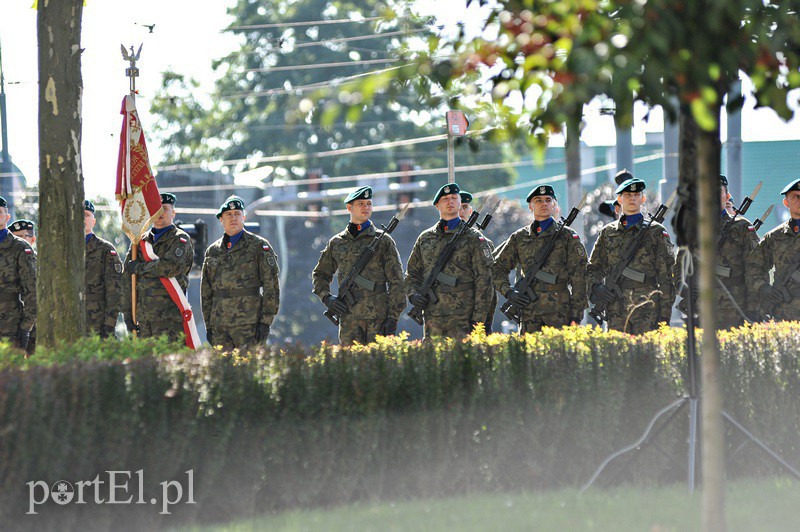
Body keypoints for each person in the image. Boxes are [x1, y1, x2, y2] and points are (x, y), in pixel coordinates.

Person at [312, 186, 405, 345]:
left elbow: (397, 281)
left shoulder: (383, 241)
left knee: (378, 366)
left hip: (378, 319)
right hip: (349, 320)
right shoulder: (337, 243)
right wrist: (327, 299)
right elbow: (320, 274)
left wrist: (392, 318)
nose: (366, 207)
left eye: (369, 203)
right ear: (349, 208)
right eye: (361, 203)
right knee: (349, 366)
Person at [492, 185, 588, 333]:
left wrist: (577, 314)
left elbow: (579, 277)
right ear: (530, 206)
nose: (544, 203)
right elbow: (497, 269)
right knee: (528, 355)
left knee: (559, 355)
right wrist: (509, 293)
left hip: (560, 311)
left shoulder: (568, 237)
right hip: (529, 311)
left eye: (548, 200)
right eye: (538, 200)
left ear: (554, 205)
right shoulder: (520, 237)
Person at [587, 177, 676, 334]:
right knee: (618, 355)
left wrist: (664, 317)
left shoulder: (656, 232)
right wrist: (596, 287)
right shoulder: (607, 233)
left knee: (647, 356)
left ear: (642, 199)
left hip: (648, 309)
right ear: (619, 200)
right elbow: (594, 268)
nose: (632, 198)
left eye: (636, 195)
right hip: (616, 309)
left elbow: (667, 277)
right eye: (627, 195)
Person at [405, 182, 494, 338]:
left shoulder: (473, 238)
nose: (450, 202)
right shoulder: (425, 238)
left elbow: (485, 283)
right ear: (437, 205)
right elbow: (411, 275)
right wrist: (413, 295)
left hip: (464, 318)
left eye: (454, 198)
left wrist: (479, 322)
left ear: (460, 203)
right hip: (434, 318)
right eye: (445, 199)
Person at [676, 175, 758, 329]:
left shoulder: (741, 228)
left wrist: (753, 309)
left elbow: (755, 269)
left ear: (726, 196)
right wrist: (685, 290)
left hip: (735, 307)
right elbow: (680, 266)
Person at [201, 195, 280, 349]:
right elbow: (206, 292)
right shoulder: (213, 251)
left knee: (248, 369)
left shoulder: (259, 246)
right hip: (220, 324)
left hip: (249, 323)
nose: (233, 218)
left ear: (244, 217)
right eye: (229, 215)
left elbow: (272, 287)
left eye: (237, 214)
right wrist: (209, 325)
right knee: (223, 370)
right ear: (221, 220)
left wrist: (265, 322)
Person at [121, 193, 194, 340]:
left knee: (170, 361)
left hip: (170, 319)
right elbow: (127, 278)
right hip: (143, 319)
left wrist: (140, 268)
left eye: (165, 209)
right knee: (145, 362)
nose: (159, 213)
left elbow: (169, 267)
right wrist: (127, 313)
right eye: (156, 209)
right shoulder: (139, 242)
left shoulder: (180, 239)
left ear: (173, 213)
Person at [747, 178, 800, 321]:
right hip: (784, 314)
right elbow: (753, 266)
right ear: (786, 203)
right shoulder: (774, 237)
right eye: (796, 196)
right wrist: (764, 288)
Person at [0, 196, 36, 350]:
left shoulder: (20, 248)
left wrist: (26, 328)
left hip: (10, 326)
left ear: (7, 217)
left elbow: (32, 292)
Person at [459, 190, 497, 332]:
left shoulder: (482, 242)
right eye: (458, 207)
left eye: (465, 207)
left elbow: (489, 287)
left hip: (473, 315)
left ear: (471, 211)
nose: (461, 211)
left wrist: (486, 321)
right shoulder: (436, 239)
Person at [83, 200, 123, 337]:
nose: (83, 218)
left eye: (87, 215)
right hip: (69, 320)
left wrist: (110, 324)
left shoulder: (105, 250)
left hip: (97, 322)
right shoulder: (63, 250)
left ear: (93, 222)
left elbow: (115, 291)